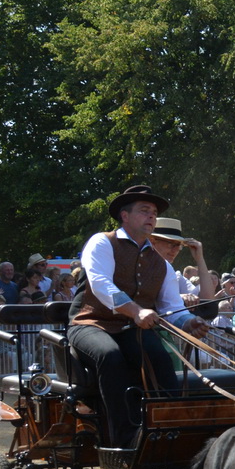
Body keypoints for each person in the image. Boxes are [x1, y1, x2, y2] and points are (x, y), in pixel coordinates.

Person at [68, 185, 209, 452]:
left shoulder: (162, 264)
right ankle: (124, 438)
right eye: (144, 210)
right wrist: (136, 311)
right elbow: (99, 283)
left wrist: (189, 322)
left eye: (154, 212)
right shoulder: (102, 242)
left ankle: (170, 430)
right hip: (89, 323)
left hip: (129, 327)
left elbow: (172, 307)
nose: (151, 217)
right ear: (125, 215)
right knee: (109, 355)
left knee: (159, 358)